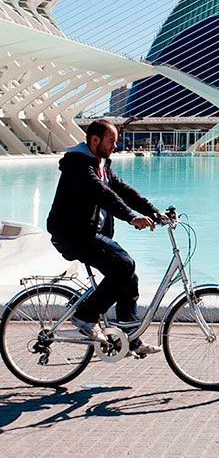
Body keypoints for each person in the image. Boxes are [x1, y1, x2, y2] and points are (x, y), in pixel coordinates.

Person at [46, 119, 163, 356]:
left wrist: (153, 211)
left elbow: (123, 190)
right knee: (124, 265)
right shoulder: (78, 164)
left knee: (130, 275)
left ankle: (128, 337)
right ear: (95, 139)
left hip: (89, 234)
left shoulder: (101, 164)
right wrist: (131, 218)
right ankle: (85, 317)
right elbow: (103, 194)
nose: (115, 146)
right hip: (72, 234)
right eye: (112, 141)